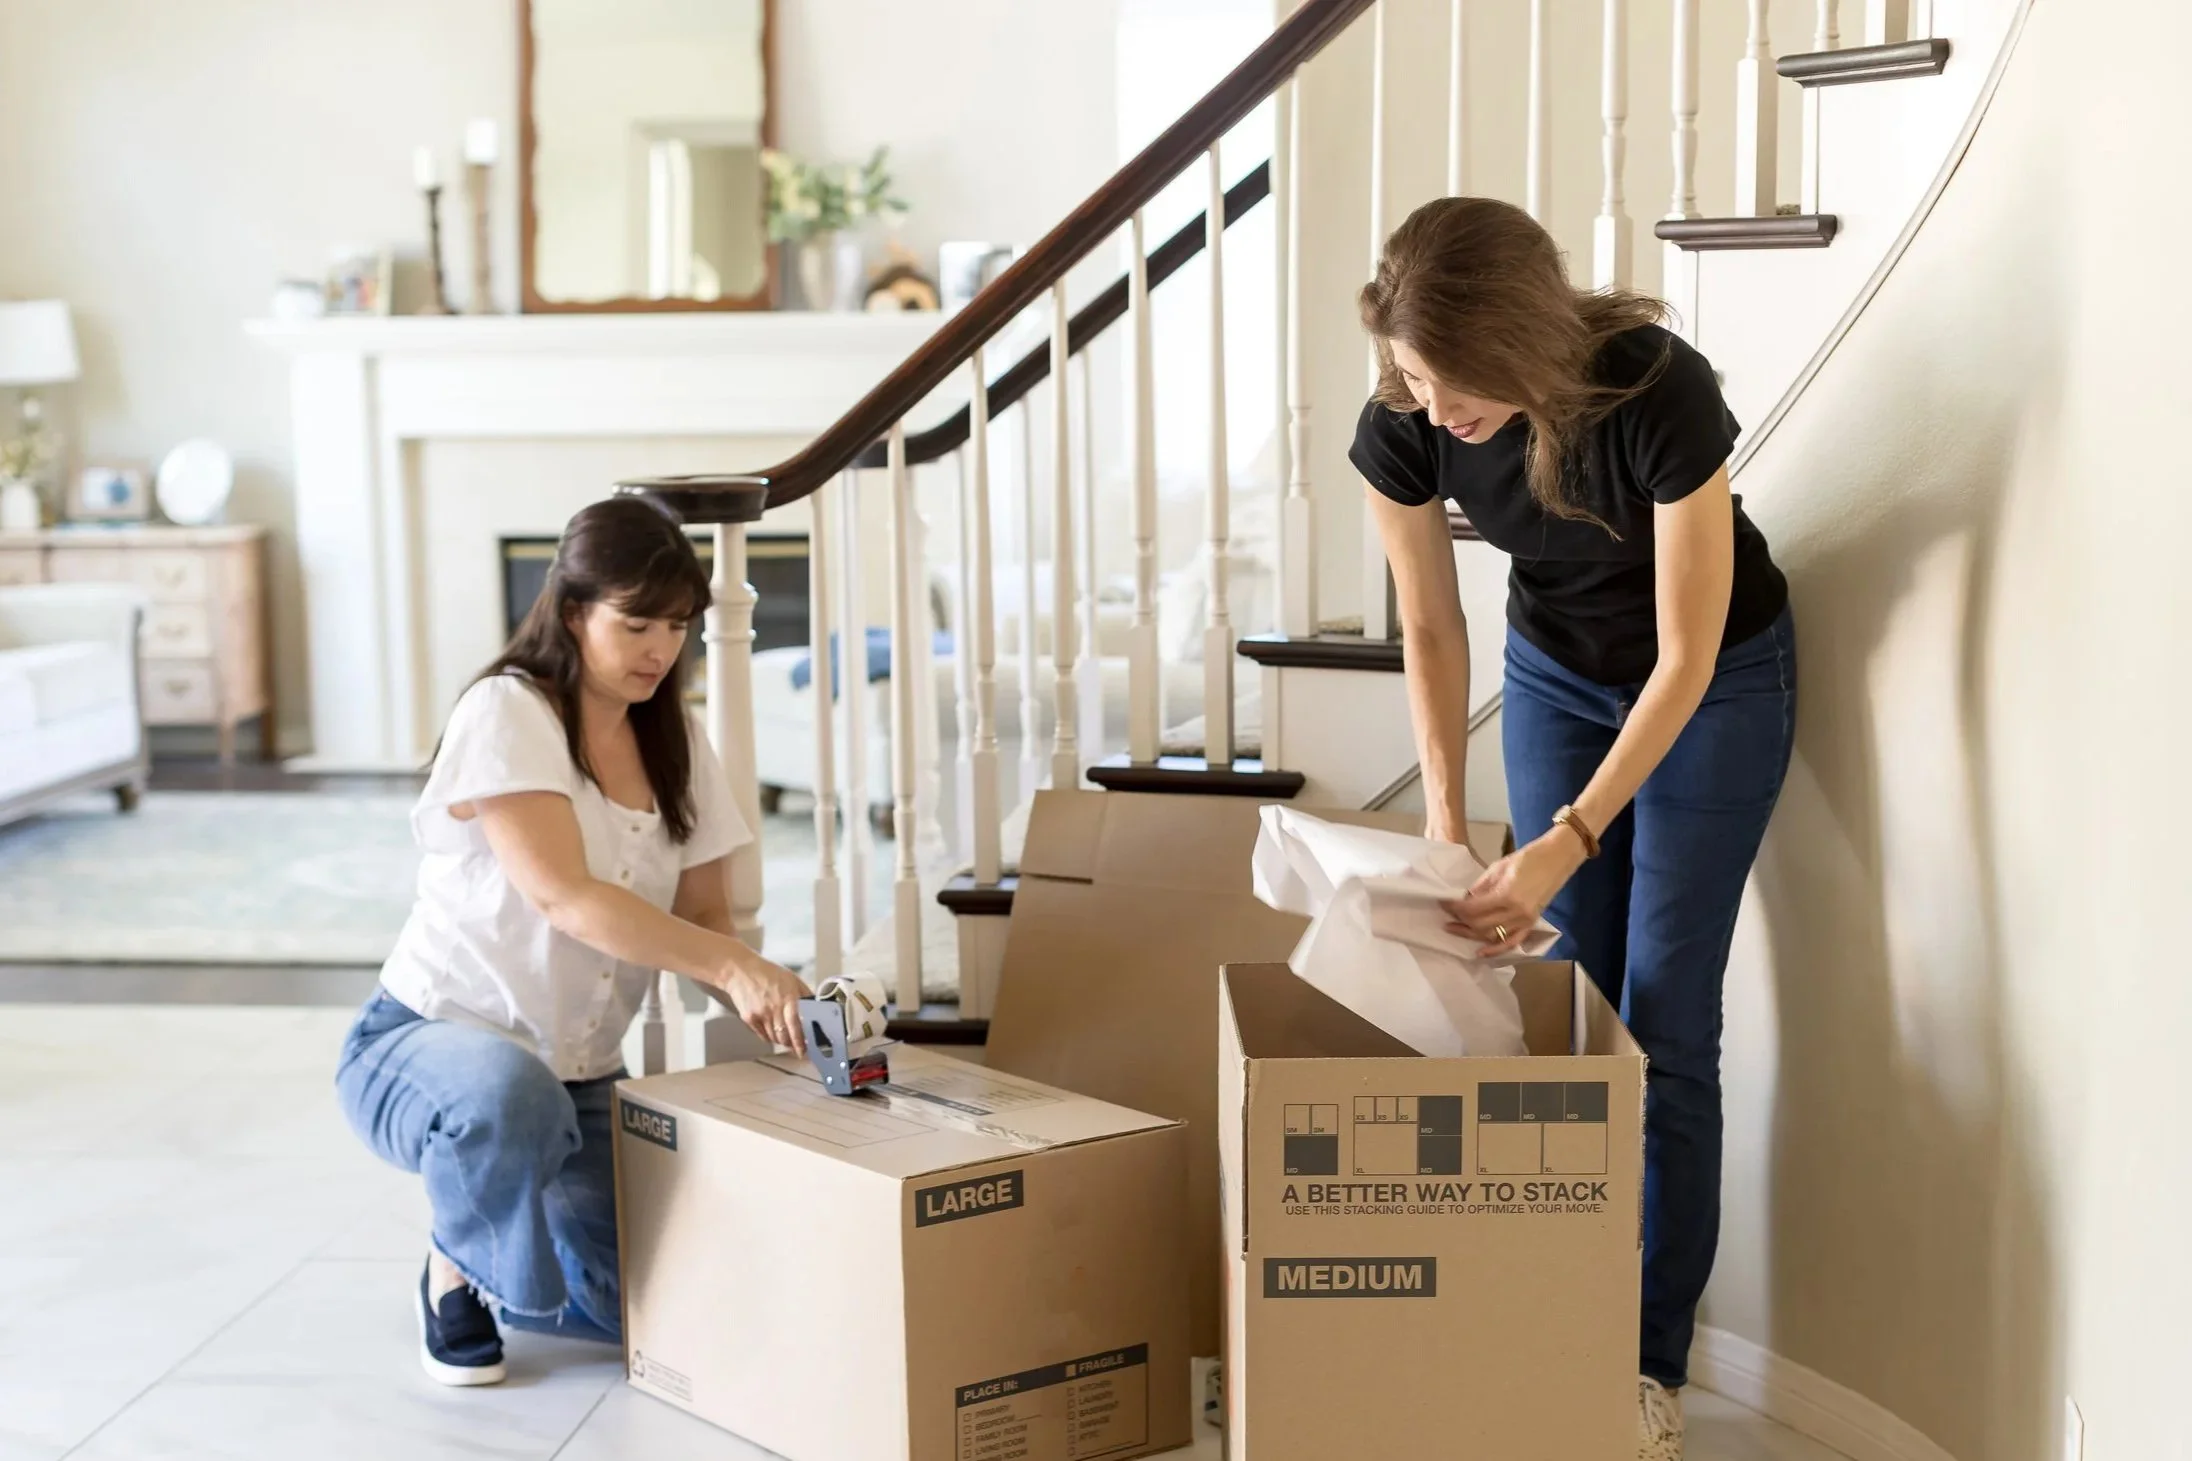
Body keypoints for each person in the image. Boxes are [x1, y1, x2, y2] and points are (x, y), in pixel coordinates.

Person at [1352, 197, 1796, 1461]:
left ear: (1517, 339)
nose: (1431, 412)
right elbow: (1429, 628)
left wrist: (1570, 832)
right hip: (1551, 672)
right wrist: (1449, 820)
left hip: (1710, 683)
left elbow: (1688, 649)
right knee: (1560, 1006)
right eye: (1408, 378)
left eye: (1447, 380)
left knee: (1661, 1017)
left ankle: (1646, 1368)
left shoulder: (1656, 391)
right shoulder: (1407, 420)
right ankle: (1551, 1327)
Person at [334, 497, 810, 1387]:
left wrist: (784, 1001)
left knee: (648, 1302)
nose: (659, 649)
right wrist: (730, 963)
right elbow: (564, 896)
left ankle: (512, 1236)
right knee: (510, 1098)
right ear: (570, 611)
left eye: (676, 625)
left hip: (578, 1076)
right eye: (636, 622)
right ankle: (456, 1268)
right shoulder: (507, 710)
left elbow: (710, 919)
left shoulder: (677, 738)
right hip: (425, 1042)